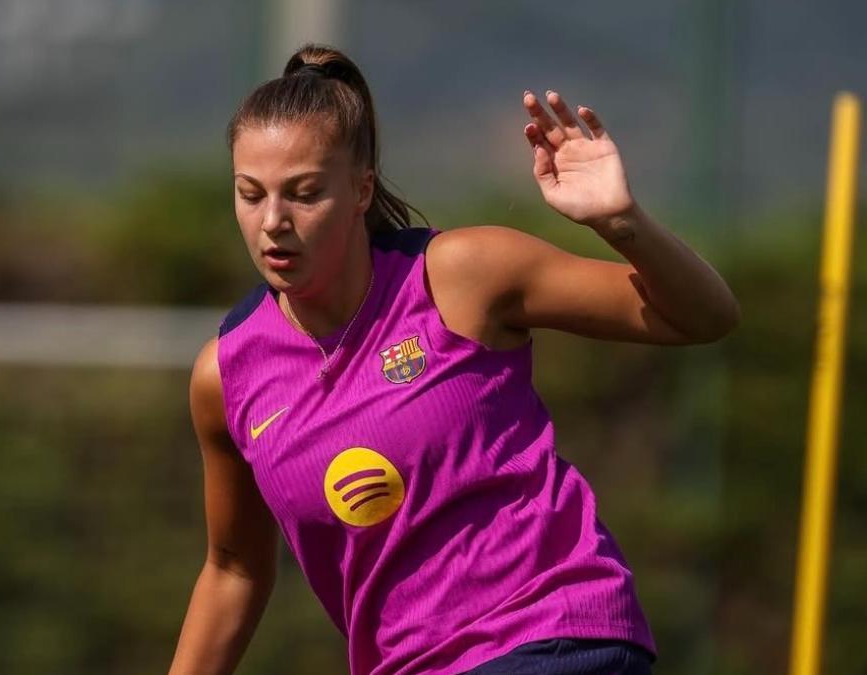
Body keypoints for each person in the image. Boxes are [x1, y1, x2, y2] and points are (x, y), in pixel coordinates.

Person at [168, 43, 739, 675]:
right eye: (251, 195)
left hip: (556, 635)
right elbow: (234, 570)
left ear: (360, 191)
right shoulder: (226, 376)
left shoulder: (460, 277)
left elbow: (703, 317)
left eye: (304, 194)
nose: (273, 221)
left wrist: (621, 220)